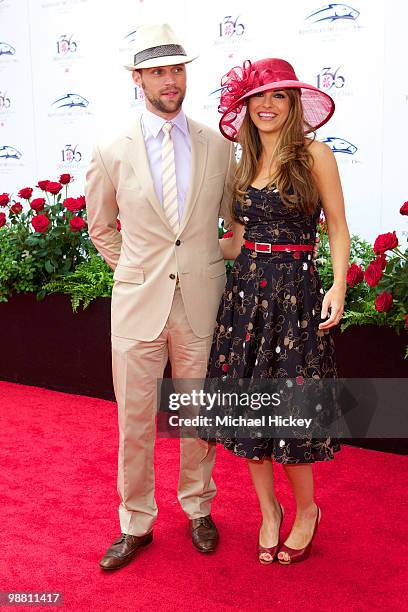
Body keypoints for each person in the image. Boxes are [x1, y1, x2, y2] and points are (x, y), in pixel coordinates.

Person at [85, 23, 235, 570]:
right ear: (138, 78)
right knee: (135, 419)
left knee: (199, 414)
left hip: (201, 301)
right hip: (137, 304)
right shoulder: (109, 148)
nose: (170, 81)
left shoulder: (218, 144)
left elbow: (233, 221)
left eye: (177, 69)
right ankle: (135, 523)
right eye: (158, 71)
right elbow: (100, 226)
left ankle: (198, 507)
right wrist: (134, 270)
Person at [201, 58, 350, 564]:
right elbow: (237, 241)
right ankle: (269, 511)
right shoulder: (241, 162)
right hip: (245, 297)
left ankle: (307, 510)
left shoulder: (315, 155)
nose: (266, 105)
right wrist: (175, 242)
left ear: (293, 105)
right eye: (257, 97)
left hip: (295, 297)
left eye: (278, 96)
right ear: (245, 106)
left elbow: (336, 228)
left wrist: (338, 285)